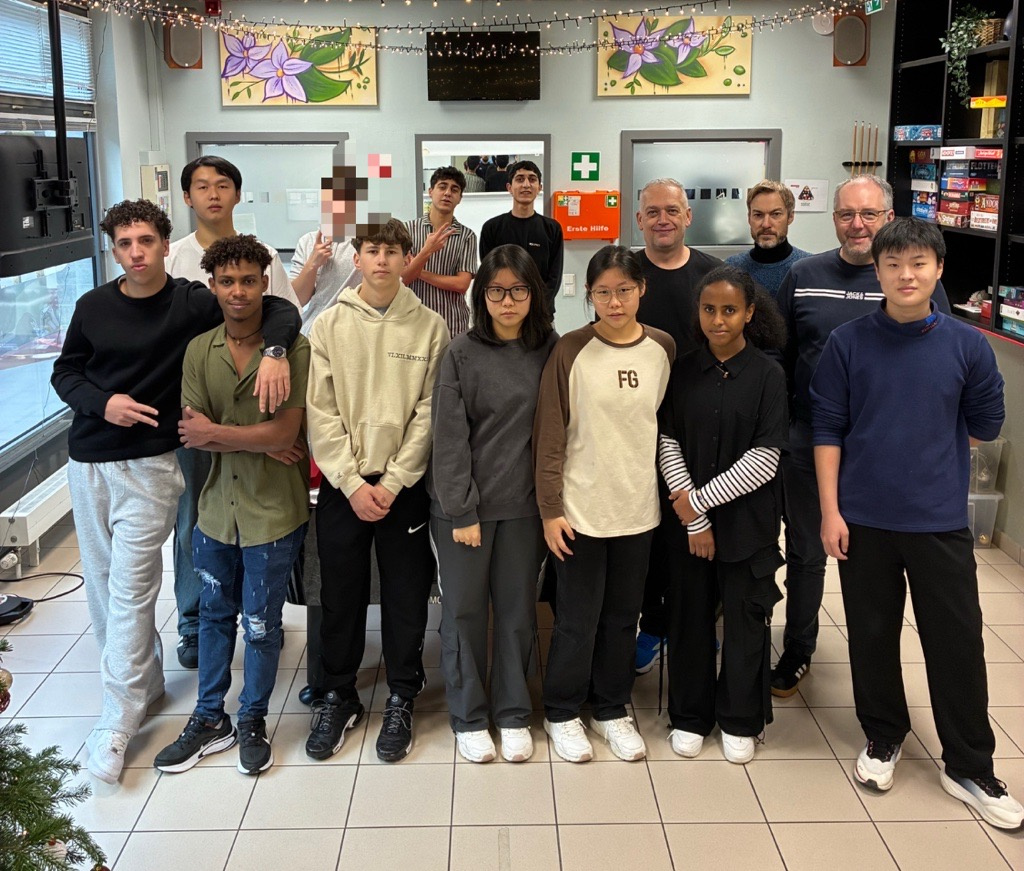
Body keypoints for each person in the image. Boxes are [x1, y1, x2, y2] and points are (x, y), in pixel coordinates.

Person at [50, 200, 299, 784]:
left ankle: (117, 719)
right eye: (124, 243)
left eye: (146, 241)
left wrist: (274, 352)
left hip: (152, 465)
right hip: (88, 461)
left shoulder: (192, 300)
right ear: (113, 250)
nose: (136, 253)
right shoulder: (92, 306)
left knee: (131, 590)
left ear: (166, 245)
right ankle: (144, 686)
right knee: (103, 588)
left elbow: (277, 308)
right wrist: (103, 403)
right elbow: (66, 372)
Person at [811, 217, 1022, 830]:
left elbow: (984, 426)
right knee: (871, 635)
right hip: (862, 519)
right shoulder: (848, 343)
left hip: (937, 521)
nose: (906, 275)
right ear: (876, 272)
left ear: (938, 270)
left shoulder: (968, 345)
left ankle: (970, 765)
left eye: (918, 264)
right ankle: (883, 736)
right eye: (893, 264)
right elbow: (828, 430)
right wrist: (830, 511)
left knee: (957, 642)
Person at [771, 175, 952, 698]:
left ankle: (876, 670)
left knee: (877, 564)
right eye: (847, 214)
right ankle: (798, 647)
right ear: (833, 219)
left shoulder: (911, 280)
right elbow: (780, 357)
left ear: (888, 217)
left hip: (884, 453)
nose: (857, 225)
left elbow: (939, 356)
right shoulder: (804, 275)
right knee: (807, 553)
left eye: (869, 214)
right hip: (810, 443)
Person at [153, 235, 310, 776]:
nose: (238, 291)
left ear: (265, 283)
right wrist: (258, 439)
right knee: (214, 617)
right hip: (215, 511)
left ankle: (252, 719)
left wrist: (230, 434)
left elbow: (285, 432)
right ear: (212, 286)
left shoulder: (293, 351)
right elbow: (192, 435)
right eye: (227, 282)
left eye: (247, 280)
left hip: (273, 512)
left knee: (262, 625)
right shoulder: (200, 350)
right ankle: (207, 718)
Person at [305, 218, 450, 763]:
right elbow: (320, 413)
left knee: (406, 594)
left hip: (403, 487)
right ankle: (339, 694)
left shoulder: (430, 327)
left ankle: (402, 695)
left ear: (406, 258)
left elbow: (430, 413)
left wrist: (391, 482)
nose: (383, 260)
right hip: (344, 486)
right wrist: (349, 481)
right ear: (358, 258)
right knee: (339, 593)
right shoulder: (329, 325)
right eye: (372, 251)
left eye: (392, 251)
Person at [534, 245, 674, 763]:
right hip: (580, 511)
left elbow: (661, 425)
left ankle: (611, 708)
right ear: (589, 295)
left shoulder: (662, 348)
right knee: (576, 619)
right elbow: (550, 435)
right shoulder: (571, 349)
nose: (614, 302)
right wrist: (551, 510)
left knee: (622, 617)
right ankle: (562, 712)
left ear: (642, 290)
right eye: (602, 293)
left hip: (637, 509)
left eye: (624, 291)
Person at [167, 154, 301, 672]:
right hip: (196, 405)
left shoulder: (261, 254)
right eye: (201, 186)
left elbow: (286, 311)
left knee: (259, 521)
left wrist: (274, 355)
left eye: (223, 185)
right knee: (195, 518)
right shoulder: (174, 257)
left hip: (257, 405)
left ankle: (260, 617)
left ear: (237, 194)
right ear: (187, 197)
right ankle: (194, 623)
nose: (213, 194)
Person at [429, 244, 556, 763]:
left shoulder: (550, 349)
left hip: (524, 509)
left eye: (518, 290)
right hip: (465, 511)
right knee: (463, 614)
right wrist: (462, 510)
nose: (507, 301)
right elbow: (448, 438)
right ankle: (469, 717)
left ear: (534, 294)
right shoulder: (460, 353)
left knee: (517, 613)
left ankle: (512, 712)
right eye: (497, 291)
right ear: (481, 295)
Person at [657, 266, 788, 764]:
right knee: (689, 618)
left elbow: (765, 459)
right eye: (709, 309)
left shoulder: (769, 376)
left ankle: (740, 718)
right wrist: (694, 519)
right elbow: (667, 441)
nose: (718, 319)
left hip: (747, 525)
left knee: (745, 622)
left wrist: (699, 502)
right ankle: (690, 715)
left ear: (749, 313)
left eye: (729, 310)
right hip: (689, 526)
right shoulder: (683, 371)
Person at [633, 178, 723, 675]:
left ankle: (698, 624)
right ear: (639, 220)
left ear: (689, 216)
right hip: (639, 427)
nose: (663, 219)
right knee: (652, 534)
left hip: (702, 425)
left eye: (672, 210)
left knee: (699, 528)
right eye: (653, 211)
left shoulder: (714, 276)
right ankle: (652, 626)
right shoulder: (628, 274)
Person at [403, 166, 478, 337]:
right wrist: (427, 251)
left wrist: (418, 269)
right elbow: (402, 278)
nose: (447, 193)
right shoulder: (407, 230)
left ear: (460, 198)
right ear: (430, 192)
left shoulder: (467, 236)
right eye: (442, 187)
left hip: (452, 323)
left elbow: (461, 284)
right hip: (412, 322)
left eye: (454, 189)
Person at [479, 160, 564, 310]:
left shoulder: (552, 229)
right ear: (509, 188)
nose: (526, 185)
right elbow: (489, 275)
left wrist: (536, 308)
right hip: (504, 310)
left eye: (532, 179)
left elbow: (554, 278)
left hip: (541, 313)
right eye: (520, 179)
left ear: (539, 187)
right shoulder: (492, 228)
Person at [290, 175, 364, 335]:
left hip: (356, 329)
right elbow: (297, 300)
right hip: (314, 329)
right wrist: (312, 264)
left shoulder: (366, 243)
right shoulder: (308, 241)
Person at [725, 179, 812, 298]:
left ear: (790, 217)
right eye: (758, 215)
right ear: (749, 218)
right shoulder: (731, 268)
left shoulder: (809, 268)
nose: (766, 224)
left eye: (775, 214)